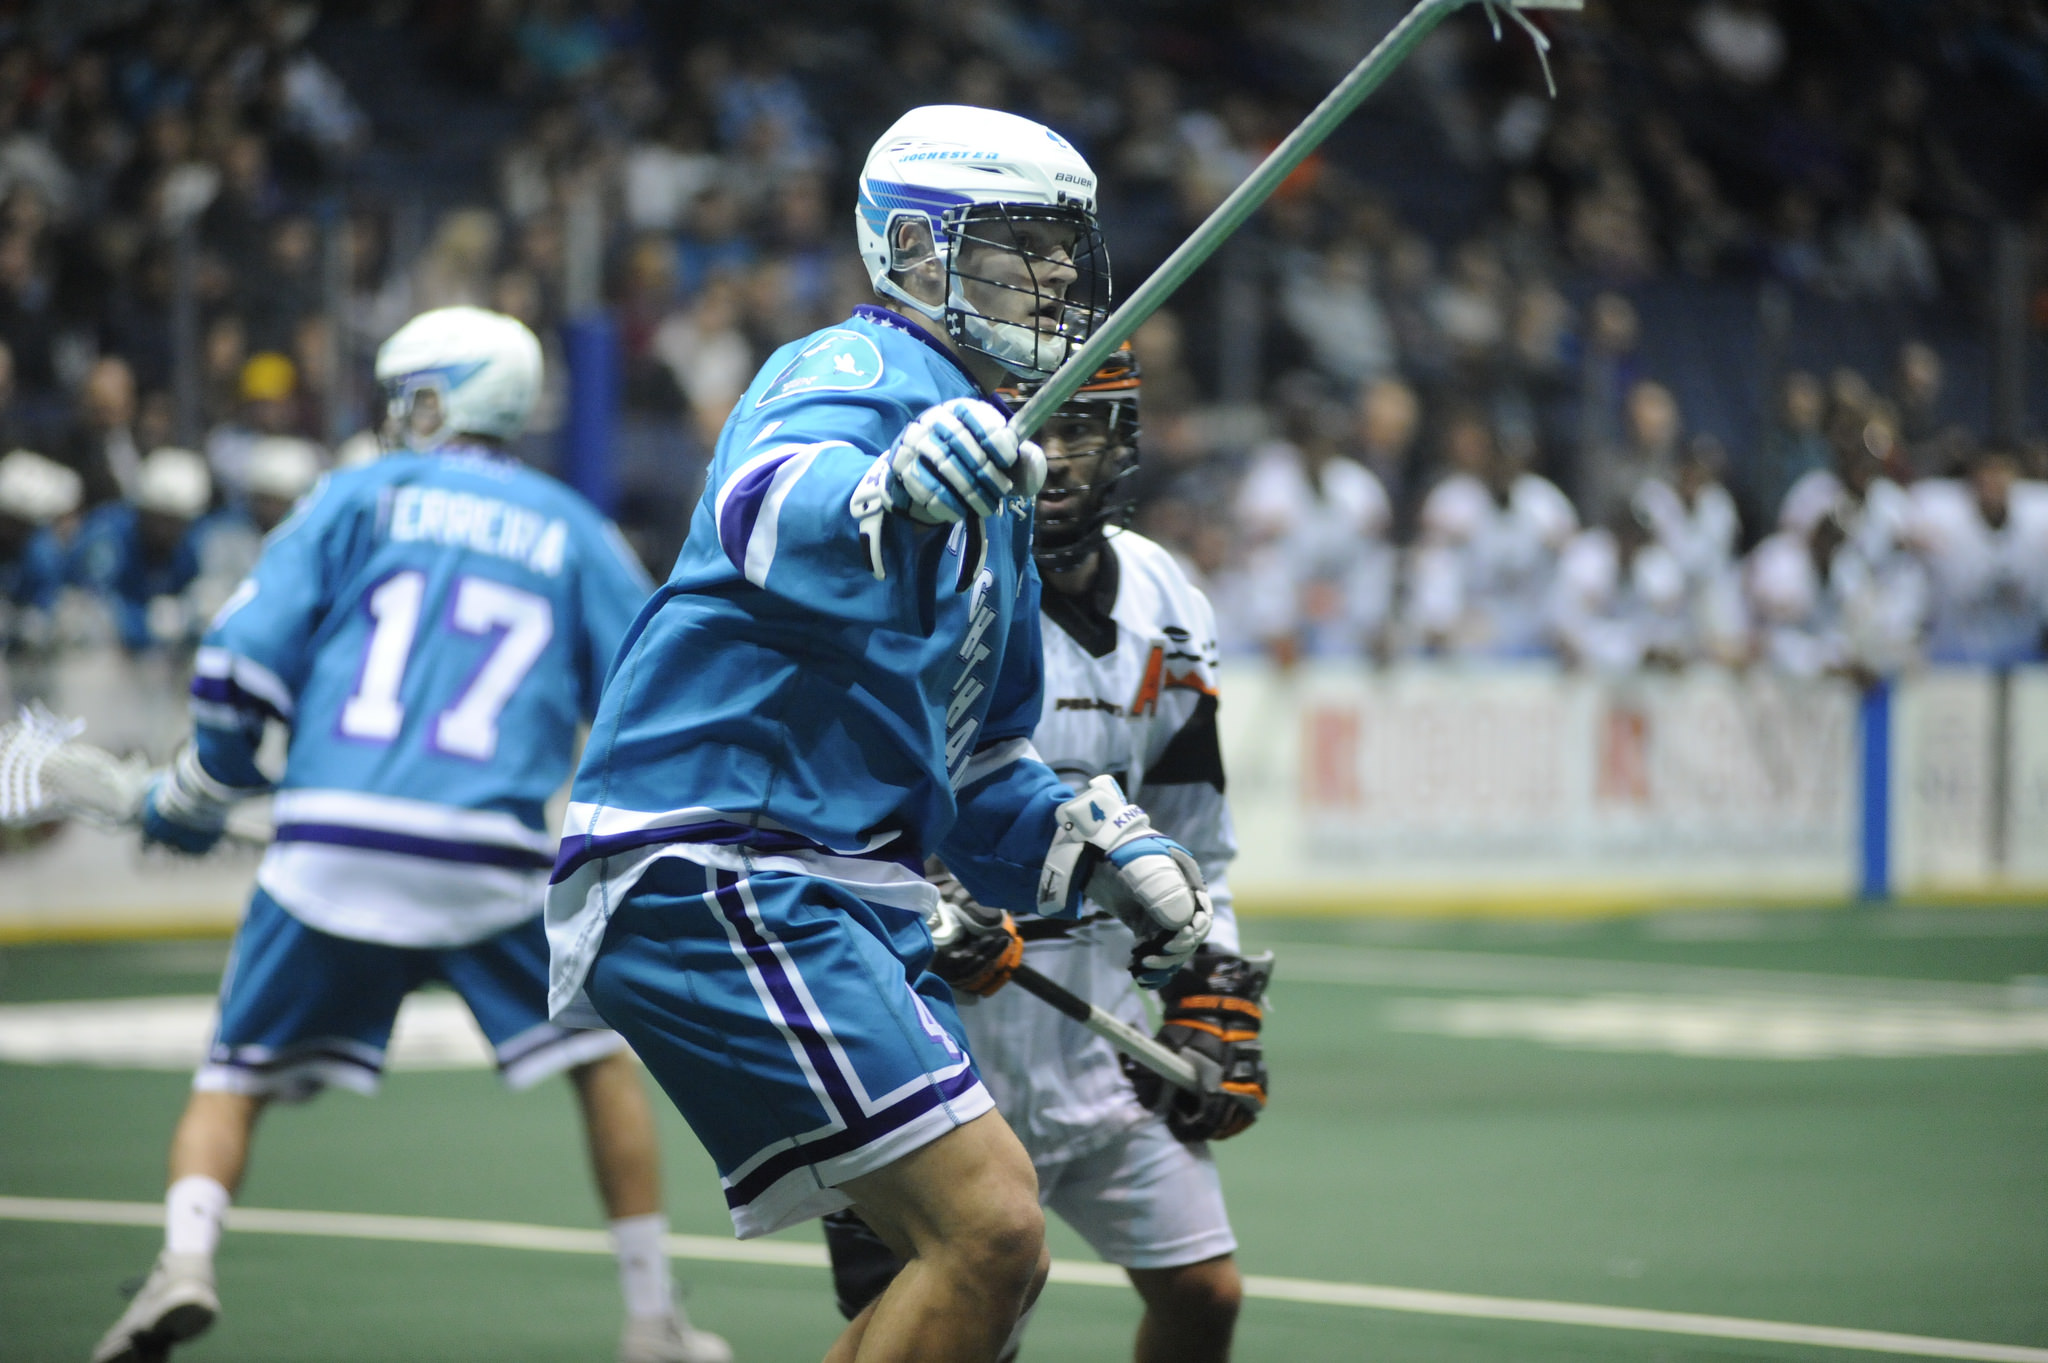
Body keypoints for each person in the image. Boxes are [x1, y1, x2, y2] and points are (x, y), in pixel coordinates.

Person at [544, 106, 1213, 1363]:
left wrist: (1100, 846)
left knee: (980, 1254)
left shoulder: (995, 473)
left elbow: (981, 765)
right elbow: (760, 505)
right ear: (912, 248)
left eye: (1063, 252)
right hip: (721, 858)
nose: (1054, 280)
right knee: (990, 1231)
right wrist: (883, 485)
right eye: (1020, 248)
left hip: (821, 881)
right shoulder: (857, 369)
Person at [91, 307, 731, 1363]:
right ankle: (651, 1313)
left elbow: (241, 661)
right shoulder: (575, 528)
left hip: (331, 842)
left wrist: (202, 788)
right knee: (598, 1061)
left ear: (444, 397)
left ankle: (185, 1260)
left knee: (234, 1072)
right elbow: (650, 696)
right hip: (491, 853)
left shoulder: (355, 493)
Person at [819, 347, 1266, 1363]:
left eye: (1081, 428)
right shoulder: (927, 582)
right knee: (975, 1318)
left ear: (1122, 442)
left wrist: (1209, 983)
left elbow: (1192, 833)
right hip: (933, 1039)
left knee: (1205, 1294)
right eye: (1036, 426)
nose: (1056, 455)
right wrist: (920, 909)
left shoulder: (1164, 596)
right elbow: (834, 801)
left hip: (1095, 1040)